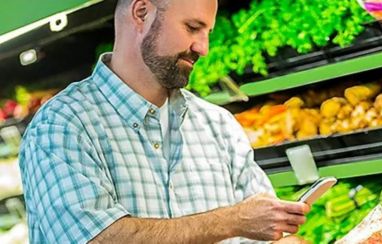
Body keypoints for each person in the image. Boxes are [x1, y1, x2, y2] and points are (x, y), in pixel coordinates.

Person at [19, 0, 310, 243]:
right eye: (192, 28)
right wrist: (231, 221)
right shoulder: (62, 126)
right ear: (142, 13)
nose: (203, 48)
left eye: (207, 31)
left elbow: (268, 231)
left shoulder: (218, 125)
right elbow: (97, 239)